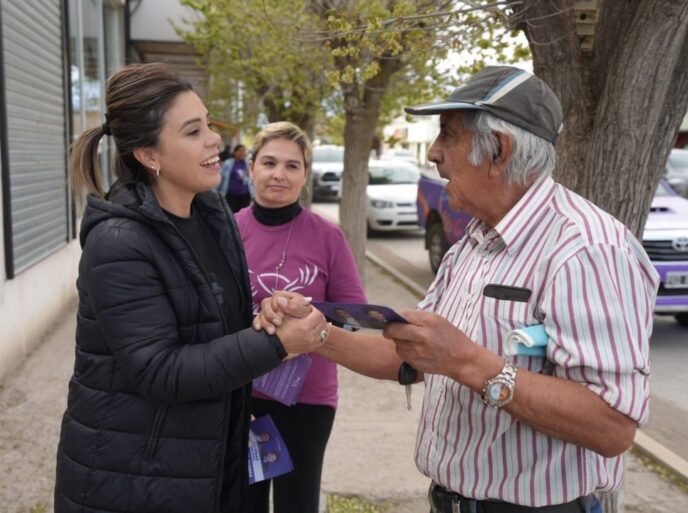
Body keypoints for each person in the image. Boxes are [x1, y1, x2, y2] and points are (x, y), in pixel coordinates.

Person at [257, 66, 659, 513]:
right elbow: (409, 355)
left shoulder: (588, 248)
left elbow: (612, 427)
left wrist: (468, 362)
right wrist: (316, 333)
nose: (432, 153)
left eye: (448, 136)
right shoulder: (475, 240)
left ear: (498, 151)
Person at [53, 62, 329, 513]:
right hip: (133, 476)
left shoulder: (212, 215)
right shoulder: (118, 243)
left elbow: (213, 328)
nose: (214, 139)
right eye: (193, 131)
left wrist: (266, 315)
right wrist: (275, 345)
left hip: (205, 459)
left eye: (208, 124)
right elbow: (158, 370)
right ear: (149, 155)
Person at [235, 121, 367, 513]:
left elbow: (354, 316)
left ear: (305, 175)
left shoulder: (328, 237)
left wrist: (308, 316)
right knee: (245, 502)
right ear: (252, 166)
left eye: (292, 166)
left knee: (297, 502)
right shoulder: (227, 230)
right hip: (242, 393)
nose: (279, 174)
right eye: (270, 162)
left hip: (307, 397)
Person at [219, 144, 252, 212]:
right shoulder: (228, 163)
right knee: (231, 216)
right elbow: (220, 177)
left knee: (243, 217)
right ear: (235, 152)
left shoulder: (247, 164)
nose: (242, 153)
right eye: (240, 151)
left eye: (243, 151)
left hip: (244, 196)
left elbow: (251, 179)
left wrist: (245, 179)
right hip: (230, 196)